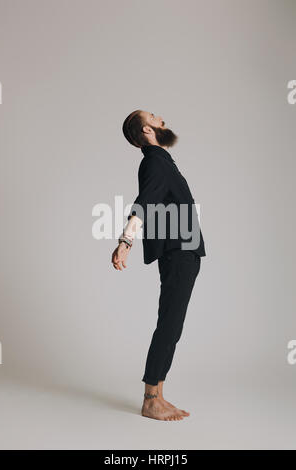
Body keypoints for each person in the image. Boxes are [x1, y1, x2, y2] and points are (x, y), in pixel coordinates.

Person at [111, 110, 206, 421]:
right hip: (177, 252)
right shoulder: (155, 160)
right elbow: (146, 200)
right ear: (146, 131)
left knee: (172, 325)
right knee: (170, 324)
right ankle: (152, 398)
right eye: (154, 117)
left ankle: (157, 395)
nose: (162, 119)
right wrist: (126, 240)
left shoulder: (162, 160)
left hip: (183, 251)